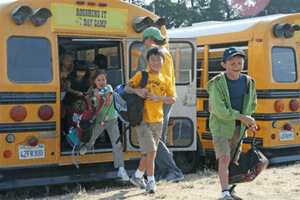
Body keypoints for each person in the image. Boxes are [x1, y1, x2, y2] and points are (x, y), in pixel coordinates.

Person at [205, 47, 257, 200]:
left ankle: (230, 189)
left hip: (238, 127)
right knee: (224, 158)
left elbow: (252, 104)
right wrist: (241, 117)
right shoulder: (217, 83)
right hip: (220, 126)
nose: (236, 66)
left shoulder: (248, 82)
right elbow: (219, 110)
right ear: (224, 64)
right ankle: (225, 193)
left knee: (233, 160)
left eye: (239, 63)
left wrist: (249, 120)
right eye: (232, 63)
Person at [124, 46, 177, 194]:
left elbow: (172, 99)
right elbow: (126, 89)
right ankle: (151, 182)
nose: (155, 62)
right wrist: (137, 91)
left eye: (158, 59)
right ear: (147, 61)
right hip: (142, 119)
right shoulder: (141, 75)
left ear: (163, 61)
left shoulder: (165, 79)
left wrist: (158, 98)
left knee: (147, 153)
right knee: (152, 151)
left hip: (158, 120)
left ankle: (137, 176)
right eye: (152, 59)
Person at [142, 27, 184, 182]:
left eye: (144, 40)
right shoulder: (163, 52)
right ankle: (160, 173)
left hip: (160, 101)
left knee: (154, 138)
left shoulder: (157, 55)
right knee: (157, 137)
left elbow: (158, 80)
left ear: (148, 39)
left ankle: (173, 171)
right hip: (162, 100)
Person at [79, 70, 130, 182]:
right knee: (91, 139)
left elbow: (107, 102)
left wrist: (97, 95)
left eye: (103, 79)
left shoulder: (108, 88)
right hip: (99, 121)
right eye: (99, 80)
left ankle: (121, 170)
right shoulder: (93, 91)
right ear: (94, 81)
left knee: (117, 144)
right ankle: (85, 147)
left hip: (112, 121)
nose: (101, 82)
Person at [63, 60, 93, 130]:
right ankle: (69, 131)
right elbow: (68, 88)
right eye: (79, 72)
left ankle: (80, 130)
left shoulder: (87, 77)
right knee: (69, 116)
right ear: (75, 71)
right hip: (70, 100)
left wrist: (88, 92)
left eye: (83, 72)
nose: (81, 74)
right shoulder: (70, 76)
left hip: (82, 101)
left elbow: (91, 85)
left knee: (81, 115)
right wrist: (77, 92)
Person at [60, 52, 75, 134]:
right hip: (59, 96)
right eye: (67, 60)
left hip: (68, 97)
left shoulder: (72, 73)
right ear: (62, 60)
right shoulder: (57, 72)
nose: (69, 63)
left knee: (68, 115)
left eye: (71, 61)